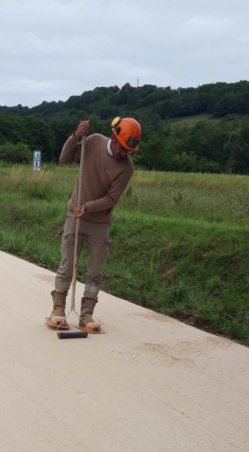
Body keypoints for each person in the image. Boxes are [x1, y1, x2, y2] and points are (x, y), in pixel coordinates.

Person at [46, 117, 141, 333]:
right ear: (114, 137)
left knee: (95, 271)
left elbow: (110, 200)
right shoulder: (94, 141)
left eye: (128, 151)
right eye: (122, 148)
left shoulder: (126, 168)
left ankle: (86, 315)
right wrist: (76, 136)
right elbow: (64, 159)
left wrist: (89, 207)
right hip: (75, 215)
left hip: (99, 221)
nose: (123, 154)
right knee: (68, 264)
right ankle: (58, 310)